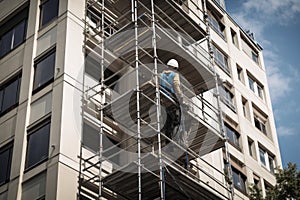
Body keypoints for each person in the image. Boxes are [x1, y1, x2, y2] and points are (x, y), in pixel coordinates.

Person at [160, 59, 185, 145]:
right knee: (176, 120)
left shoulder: (161, 75)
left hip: (162, 99)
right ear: (175, 68)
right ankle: (173, 140)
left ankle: (167, 140)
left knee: (166, 121)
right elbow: (176, 86)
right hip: (171, 99)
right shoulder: (175, 75)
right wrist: (181, 98)